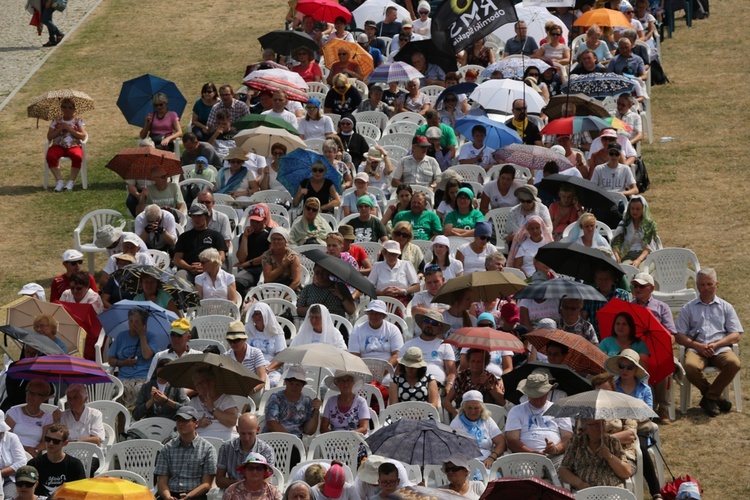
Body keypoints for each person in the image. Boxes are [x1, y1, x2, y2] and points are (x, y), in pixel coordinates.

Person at [675, 268, 742, 417]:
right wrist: (696, 345)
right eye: (702, 284)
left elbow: (736, 334)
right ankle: (716, 397)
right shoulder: (688, 308)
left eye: (709, 284)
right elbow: (679, 335)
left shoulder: (726, 307)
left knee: (734, 363)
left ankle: (709, 398)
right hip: (696, 348)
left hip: (720, 349)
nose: (706, 288)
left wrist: (717, 344)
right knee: (690, 367)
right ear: (697, 286)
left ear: (716, 284)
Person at [605, 349, 662, 498]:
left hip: (640, 428)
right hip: (617, 428)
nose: (624, 370)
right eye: (621, 366)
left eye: (629, 367)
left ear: (636, 369)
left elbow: (649, 413)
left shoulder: (645, 389)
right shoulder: (613, 387)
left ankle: (655, 491)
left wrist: (631, 420)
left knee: (641, 449)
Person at [505, 373, 573, 468]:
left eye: (541, 395)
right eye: (534, 396)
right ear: (527, 394)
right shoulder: (516, 411)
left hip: (556, 457)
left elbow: (568, 438)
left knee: (566, 471)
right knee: (524, 476)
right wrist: (531, 453)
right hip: (525, 458)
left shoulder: (560, 409)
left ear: (547, 392)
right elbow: (512, 440)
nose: (538, 400)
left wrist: (556, 448)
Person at [155, 406, 217, 500]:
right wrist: (168, 497)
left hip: (195, 495)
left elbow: (207, 484)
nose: (181, 424)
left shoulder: (207, 449)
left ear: (196, 423)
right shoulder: (167, 448)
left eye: (185, 421)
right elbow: (162, 482)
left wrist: (188, 496)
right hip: (171, 493)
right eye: (178, 421)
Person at [558, 417, 634, 491]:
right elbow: (563, 470)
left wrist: (610, 457)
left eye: (602, 423)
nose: (601, 427)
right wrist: (579, 483)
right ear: (585, 429)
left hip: (611, 491)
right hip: (583, 492)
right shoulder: (576, 442)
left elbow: (626, 473)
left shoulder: (613, 442)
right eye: (595, 424)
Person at [108, 307, 158, 409]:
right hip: (124, 377)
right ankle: (121, 422)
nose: (133, 324)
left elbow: (147, 355)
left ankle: (137, 420)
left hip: (143, 377)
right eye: (130, 321)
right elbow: (110, 360)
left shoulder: (151, 337)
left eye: (137, 321)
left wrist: (142, 336)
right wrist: (124, 363)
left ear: (144, 324)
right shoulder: (121, 336)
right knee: (117, 392)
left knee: (141, 390)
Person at [217, 414, 275, 490]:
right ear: (237, 429)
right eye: (243, 433)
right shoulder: (226, 448)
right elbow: (219, 480)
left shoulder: (266, 450)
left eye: (250, 433)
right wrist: (241, 484)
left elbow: (266, 481)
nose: (246, 438)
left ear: (258, 430)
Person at [264, 365, 322, 442]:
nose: (294, 387)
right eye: (291, 383)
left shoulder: (307, 401)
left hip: (296, 441)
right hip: (274, 439)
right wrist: (290, 441)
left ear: (303, 385)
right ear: (286, 382)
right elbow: (272, 423)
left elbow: (309, 431)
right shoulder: (276, 398)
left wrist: (316, 411)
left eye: (297, 384)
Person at [400, 311, 456, 389]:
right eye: (427, 321)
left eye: (434, 323)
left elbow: (452, 372)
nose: (429, 325)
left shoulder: (445, 345)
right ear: (422, 323)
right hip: (411, 386)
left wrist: (449, 385)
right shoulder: (409, 344)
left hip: (437, 386)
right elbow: (399, 369)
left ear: (439, 329)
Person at [173, 203, 228, 282]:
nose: (196, 219)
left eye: (199, 216)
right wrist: (189, 267)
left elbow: (221, 257)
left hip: (210, 269)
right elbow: (177, 259)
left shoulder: (216, 235)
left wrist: (206, 266)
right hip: (189, 270)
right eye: (193, 216)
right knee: (180, 275)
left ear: (206, 216)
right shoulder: (184, 237)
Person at [27, 424, 86, 497]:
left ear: (65, 443)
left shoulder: (75, 465)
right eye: (48, 439)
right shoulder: (34, 464)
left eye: (56, 441)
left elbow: (80, 493)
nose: (51, 443)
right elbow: (26, 492)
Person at [444, 351, 506, 421]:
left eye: (479, 361)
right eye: (473, 361)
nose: (475, 364)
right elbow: (446, 401)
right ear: (468, 362)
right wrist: (454, 412)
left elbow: (502, 402)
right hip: (464, 416)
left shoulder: (490, 377)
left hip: (485, 417)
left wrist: (488, 384)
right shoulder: (461, 376)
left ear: (485, 363)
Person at [46, 98, 87, 192]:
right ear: (61, 108)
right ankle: (59, 181)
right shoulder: (56, 120)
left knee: (77, 156)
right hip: (58, 145)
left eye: (70, 107)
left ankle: (71, 181)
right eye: (64, 107)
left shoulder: (78, 121)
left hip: (73, 145)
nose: (67, 109)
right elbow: (49, 137)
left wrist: (70, 129)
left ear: (74, 109)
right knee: (50, 156)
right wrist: (59, 129)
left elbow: (83, 136)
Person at [188, 367, 240, 441]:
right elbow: (184, 424)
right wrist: (198, 423)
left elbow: (232, 421)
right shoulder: (193, 402)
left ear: (212, 382)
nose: (198, 386)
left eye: (201, 382)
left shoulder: (226, 399)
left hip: (225, 440)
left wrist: (213, 409)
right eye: (196, 384)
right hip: (200, 440)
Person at [5, 380, 53, 458]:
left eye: (38, 394)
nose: (32, 396)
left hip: (33, 454)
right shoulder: (14, 412)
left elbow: (46, 441)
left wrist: (36, 450)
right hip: (11, 450)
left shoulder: (47, 417)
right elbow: (5, 436)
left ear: (44, 398)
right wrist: (24, 448)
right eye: (30, 393)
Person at [348, 300, 403, 365]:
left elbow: (397, 354)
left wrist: (385, 369)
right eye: (371, 313)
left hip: (387, 367)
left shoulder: (393, 329)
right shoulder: (357, 330)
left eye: (377, 313)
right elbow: (354, 354)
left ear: (384, 316)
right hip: (363, 367)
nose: (373, 316)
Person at [611, 195, 658, 266]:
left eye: (637, 209)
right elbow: (615, 244)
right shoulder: (624, 224)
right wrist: (617, 257)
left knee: (642, 273)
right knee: (627, 271)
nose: (634, 211)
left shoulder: (648, 225)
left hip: (646, 256)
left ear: (643, 209)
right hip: (628, 255)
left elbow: (648, 247)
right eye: (632, 208)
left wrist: (638, 260)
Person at [225, 321, 268, 395]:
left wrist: (252, 390)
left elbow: (262, 379)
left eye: (236, 340)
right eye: (229, 341)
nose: (232, 344)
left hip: (254, 393)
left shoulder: (256, 353)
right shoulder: (226, 356)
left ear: (244, 339)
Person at [320, 371, 369, 437]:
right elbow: (323, 428)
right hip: (334, 440)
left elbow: (364, 428)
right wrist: (337, 438)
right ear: (336, 383)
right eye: (341, 381)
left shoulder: (361, 402)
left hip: (355, 439)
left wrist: (347, 437)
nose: (345, 384)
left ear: (353, 382)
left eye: (348, 380)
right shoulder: (331, 401)